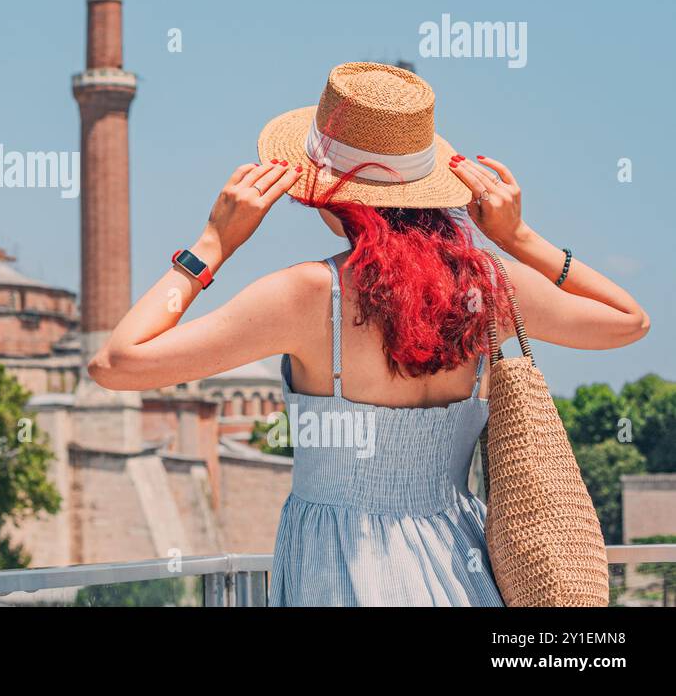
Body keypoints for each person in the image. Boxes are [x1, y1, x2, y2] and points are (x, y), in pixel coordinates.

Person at [88, 62, 649, 606]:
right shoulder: (490, 286)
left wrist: (211, 246)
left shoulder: (308, 295)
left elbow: (116, 364)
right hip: (463, 569)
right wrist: (520, 236)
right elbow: (629, 321)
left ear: (324, 191)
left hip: (340, 572)